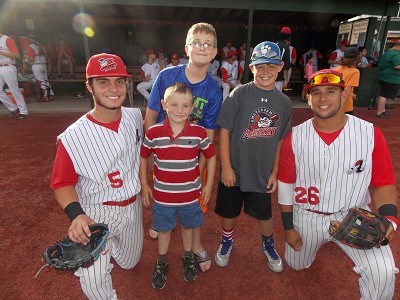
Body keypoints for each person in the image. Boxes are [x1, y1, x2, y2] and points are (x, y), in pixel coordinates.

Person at [277, 68, 399, 300]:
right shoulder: (295, 137)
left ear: (344, 96)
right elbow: (286, 184)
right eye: (316, 93)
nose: (323, 98)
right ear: (309, 99)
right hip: (307, 216)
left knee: (383, 273)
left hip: (353, 215)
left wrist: (390, 218)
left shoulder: (370, 134)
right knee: (296, 264)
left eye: (331, 91)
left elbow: (384, 182)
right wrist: (288, 227)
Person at [50, 53, 144, 299]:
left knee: (131, 262)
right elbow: (62, 183)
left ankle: (109, 246)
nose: (113, 89)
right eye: (103, 82)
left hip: (133, 208)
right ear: (89, 86)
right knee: (93, 279)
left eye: (119, 81)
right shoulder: (73, 136)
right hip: (96, 212)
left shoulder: (135, 118)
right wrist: (77, 215)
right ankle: (100, 257)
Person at [144, 22, 222, 273]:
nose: (202, 47)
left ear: (214, 52)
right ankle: (161, 221)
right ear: (186, 47)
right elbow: (150, 117)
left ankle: (196, 245)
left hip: (193, 151)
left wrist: (198, 173)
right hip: (165, 151)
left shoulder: (213, 89)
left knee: (194, 203)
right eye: (196, 43)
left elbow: (208, 136)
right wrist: (155, 158)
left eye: (207, 44)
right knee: (164, 195)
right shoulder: (167, 76)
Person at [214, 41, 292, 272]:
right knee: (229, 211)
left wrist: (274, 172)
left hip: (261, 170)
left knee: (264, 214)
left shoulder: (284, 103)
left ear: (280, 66)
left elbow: (279, 141)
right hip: (236, 169)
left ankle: (268, 244)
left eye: (271, 66)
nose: (265, 71)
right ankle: (226, 240)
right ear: (251, 67)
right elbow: (224, 131)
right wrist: (226, 167)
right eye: (260, 66)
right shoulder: (240, 93)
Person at [140, 82, 217, 289]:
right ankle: (162, 261)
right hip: (163, 197)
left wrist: (208, 185)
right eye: (174, 105)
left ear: (192, 108)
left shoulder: (199, 133)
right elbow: (143, 156)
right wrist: (144, 184)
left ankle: (188, 257)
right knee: (163, 230)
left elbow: (211, 156)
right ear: (164, 104)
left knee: (188, 228)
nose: (179, 111)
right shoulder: (154, 133)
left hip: (190, 196)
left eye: (185, 106)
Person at [0, 30, 29, 119]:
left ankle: (24, 111)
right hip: (0, 67)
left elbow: (17, 55)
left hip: (8, 66)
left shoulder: (7, 39)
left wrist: (1, 52)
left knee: (14, 90)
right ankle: (13, 108)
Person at [376, 39, 400, 118]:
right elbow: (397, 66)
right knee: (384, 95)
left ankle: (382, 111)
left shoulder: (387, 52)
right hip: (390, 78)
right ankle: (380, 112)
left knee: (383, 94)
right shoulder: (395, 54)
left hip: (385, 76)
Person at [26, 34, 54, 102]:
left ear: (30, 38)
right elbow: (48, 56)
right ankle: (50, 95)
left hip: (36, 65)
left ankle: (45, 97)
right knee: (46, 80)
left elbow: (31, 58)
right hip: (43, 65)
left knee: (41, 82)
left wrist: (26, 60)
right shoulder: (42, 46)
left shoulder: (31, 46)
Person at [334, 46, 360, 115]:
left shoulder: (337, 68)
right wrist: (341, 108)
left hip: (334, 103)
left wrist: (352, 94)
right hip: (345, 106)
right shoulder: (355, 71)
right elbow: (347, 90)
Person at [275, 26, 292, 91]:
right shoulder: (285, 47)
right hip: (279, 78)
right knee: (276, 99)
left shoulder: (274, 45)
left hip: (269, 77)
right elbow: (286, 66)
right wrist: (286, 80)